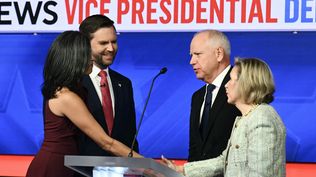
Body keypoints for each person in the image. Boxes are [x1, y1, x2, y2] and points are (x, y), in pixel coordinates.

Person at [26, 31, 142, 177]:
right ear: (75, 59)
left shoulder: (67, 91)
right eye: (87, 55)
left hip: (68, 165)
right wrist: (150, 166)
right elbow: (107, 143)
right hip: (54, 168)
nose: (92, 60)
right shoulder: (66, 97)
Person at [163, 58, 286, 177]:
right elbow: (225, 161)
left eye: (231, 80)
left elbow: (260, 174)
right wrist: (181, 169)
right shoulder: (244, 119)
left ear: (246, 83)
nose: (226, 85)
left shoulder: (261, 119)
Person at [77, 14, 139, 157]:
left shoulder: (124, 83)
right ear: (85, 44)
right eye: (103, 43)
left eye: (114, 42)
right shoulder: (73, 82)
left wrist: (138, 168)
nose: (111, 48)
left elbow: (130, 137)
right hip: (80, 169)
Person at [188, 30, 241, 166]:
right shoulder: (197, 97)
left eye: (197, 54)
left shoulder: (242, 87)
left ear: (219, 54)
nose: (191, 61)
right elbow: (195, 148)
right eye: (191, 55)